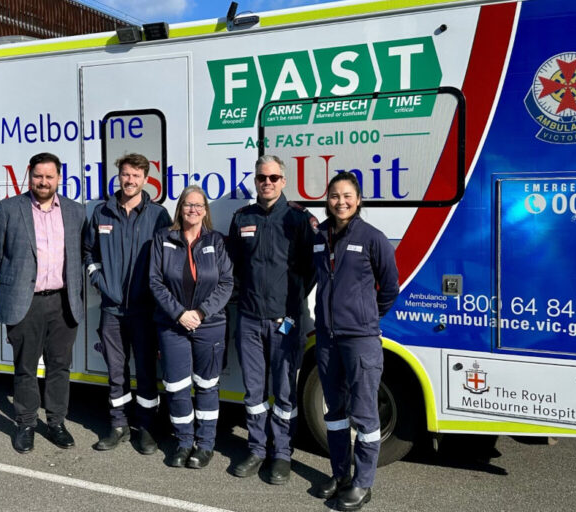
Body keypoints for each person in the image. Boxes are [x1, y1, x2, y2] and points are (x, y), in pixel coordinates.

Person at [0, 152, 86, 454]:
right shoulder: (8, 209)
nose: (43, 182)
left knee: (59, 366)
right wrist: (19, 280)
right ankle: (26, 424)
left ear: (59, 178)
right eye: (38, 176)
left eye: (49, 176)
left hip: (63, 302)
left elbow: (82, 252)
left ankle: (56, 423)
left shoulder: (75, 212)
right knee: (25, 367)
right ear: (30, 176)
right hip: (25, 302)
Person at [226, 155, 316, 484]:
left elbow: (312, 269)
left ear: (283, 181)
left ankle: (281, 454)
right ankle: (256, 449)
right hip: (249, 319)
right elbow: (234, 265)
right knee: (254, 392)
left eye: (273, 177)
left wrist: (291, 305)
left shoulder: (298, 219)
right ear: (255, 181)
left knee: (284, 391)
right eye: (262, 177)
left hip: (285, 320)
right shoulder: (242, 217)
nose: (267, 182)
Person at [311, 172, 398, 511]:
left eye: (347, 195)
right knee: (334, 411)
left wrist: (366, 317)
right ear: (327, 200)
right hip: (327, 338)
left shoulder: (372, 237)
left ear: (358, 200)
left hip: (360, 339)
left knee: (364, 414)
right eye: (334, 195)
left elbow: (389, 287)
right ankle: (340, 475)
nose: (341, 202)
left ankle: (363, 482)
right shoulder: (320, 235)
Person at [83, 153, 172, 454]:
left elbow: (168, 258)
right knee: (116, 370)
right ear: (119, 176)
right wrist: (98, 280)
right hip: (111, 309)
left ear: (145, 179)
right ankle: (118, 425)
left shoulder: (158, 215)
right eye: (125, 174)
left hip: (145, 310)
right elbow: (89, 252)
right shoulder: (102, 212)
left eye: (136, 175)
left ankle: (146, 427)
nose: (130, 180)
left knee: (146, 370)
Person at [148, 185, 233, 469]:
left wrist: (201, 312)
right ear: (180, 208)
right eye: (188, 204)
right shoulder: (163, 238)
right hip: (172, 326)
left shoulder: (216, 241)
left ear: (205, 211)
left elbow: (226, 283)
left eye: (198, 205)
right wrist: (179, 314)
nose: (193, 209)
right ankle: (184, 442)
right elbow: (155, 282)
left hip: (209, 324)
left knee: (207, 386)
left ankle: (205, 445)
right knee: (177, 386)